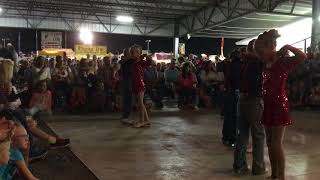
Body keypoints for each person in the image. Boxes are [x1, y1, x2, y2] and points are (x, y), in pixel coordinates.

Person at [254, 29, 307, 180]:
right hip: (268, 105)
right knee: (270, 143)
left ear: (271, 47)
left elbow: (302, 56)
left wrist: (289, 47)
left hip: (278, 105)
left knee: (276, 143)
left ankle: (281, 177)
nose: (260, 56)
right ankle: (274, 174)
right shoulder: (267, 62)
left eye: (261, 53)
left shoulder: (283, 62)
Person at [233, 39, 266, 176]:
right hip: (254, 100)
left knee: (242, 134)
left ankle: (239, 165)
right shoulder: (257, 63)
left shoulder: (242, 62)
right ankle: (258, 167)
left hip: (241, 99)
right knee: (258, 135)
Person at [222, 50, 241, 147]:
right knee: (234, 118)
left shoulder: (229, 65)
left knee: (229, 117)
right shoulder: (239, 65)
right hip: (235, 93)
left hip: (229, 92)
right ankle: (232, 138)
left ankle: (226, 138)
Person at [130, 45, 151, 128]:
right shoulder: (134, 62)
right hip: (136, 84)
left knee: (140, 104)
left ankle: (142, 121)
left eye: (133, 52)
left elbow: (149, 62)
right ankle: (147, 120)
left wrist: (147, 56)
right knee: (140, 103)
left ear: (139, 53)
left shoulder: (141, 62)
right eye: (131, 52)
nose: (131, 54)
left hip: (140, 84)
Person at [119, 48, 134, 124]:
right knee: (128, 100)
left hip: (127, 83)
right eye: (131, 53)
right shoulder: (127, 62)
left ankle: (125, 116)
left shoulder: (125, 62)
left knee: (128, 100)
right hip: (128, 83)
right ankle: (125, 117)